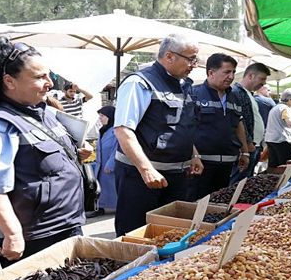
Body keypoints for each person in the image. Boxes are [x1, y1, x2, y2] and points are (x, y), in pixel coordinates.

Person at [0, 37, 90, 268]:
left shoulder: (43, 113)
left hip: (65, 225)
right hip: (34, 238)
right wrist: (12, 234)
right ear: (9, 81)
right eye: (40, 77)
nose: (50, 83)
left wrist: (74, 153)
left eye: (48, 75)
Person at [113, 34, 204, 236]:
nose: (194, 65)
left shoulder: (183, 85)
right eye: (191, 59)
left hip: (177, 177)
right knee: (136, 234)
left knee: (168, 234)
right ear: (170, 56)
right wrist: (146, 170)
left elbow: (183, 123)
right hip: (141, 178)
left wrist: (194, 154)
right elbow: (123, 130)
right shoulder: (139, 83)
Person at [191, 54, 252, 199]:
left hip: (227, 164)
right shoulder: (194, 94)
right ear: (211, 72)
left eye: (233, 72)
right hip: (201, 164)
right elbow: (185, 127)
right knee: (197, 204)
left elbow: (238, 124)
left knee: (219, 204)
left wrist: (244, 152)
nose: (231, 76)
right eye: (226, 72)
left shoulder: (234, 97)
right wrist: (193, 155)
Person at [229, 63, 271, 183]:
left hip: (254, 146)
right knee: (239, 182)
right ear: (250, 76)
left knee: (246, 181)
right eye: (262, 79)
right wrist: (247, 143)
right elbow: (239, 120)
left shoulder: (249, 94)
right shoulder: (236, 92)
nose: (263, 83)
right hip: (247, 147)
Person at [87, 105, 118, 217]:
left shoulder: (116, 130)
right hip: (101, 163)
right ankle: (99, 207)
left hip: (109, 165)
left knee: (112, 188)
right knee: (100, 187)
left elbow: (117, 148)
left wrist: (111, 163)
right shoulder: (103, 130)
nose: (100, 118)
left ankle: (117, 206)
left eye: (102, 116)